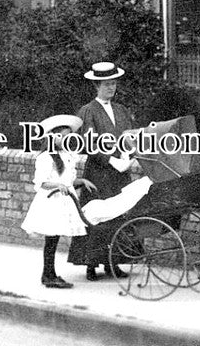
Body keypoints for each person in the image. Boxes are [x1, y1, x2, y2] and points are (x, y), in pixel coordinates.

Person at [69, 61, 137, 281]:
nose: (111, 88)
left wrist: (128, 155)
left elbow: (129, 137)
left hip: (120, 175)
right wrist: (110, 160)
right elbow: (89, 143)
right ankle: (91, 264)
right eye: (106, 84)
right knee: (96, 216)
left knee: (120, 215)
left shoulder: (121, 110)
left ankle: (114, 263)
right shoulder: (88, 111)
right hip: (99, 174)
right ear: (96, 86)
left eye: (114, 84)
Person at [20, 114, 95, 289]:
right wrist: (58, 185)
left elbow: (68, 181)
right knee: (51, 239)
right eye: (63, 136)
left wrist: (81, 182)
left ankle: (49, 274)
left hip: (65, 201)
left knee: (54, 239)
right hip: (52, 202)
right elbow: (41, 182)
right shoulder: (46, 157)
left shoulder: (68, 156)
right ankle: (48, 275)